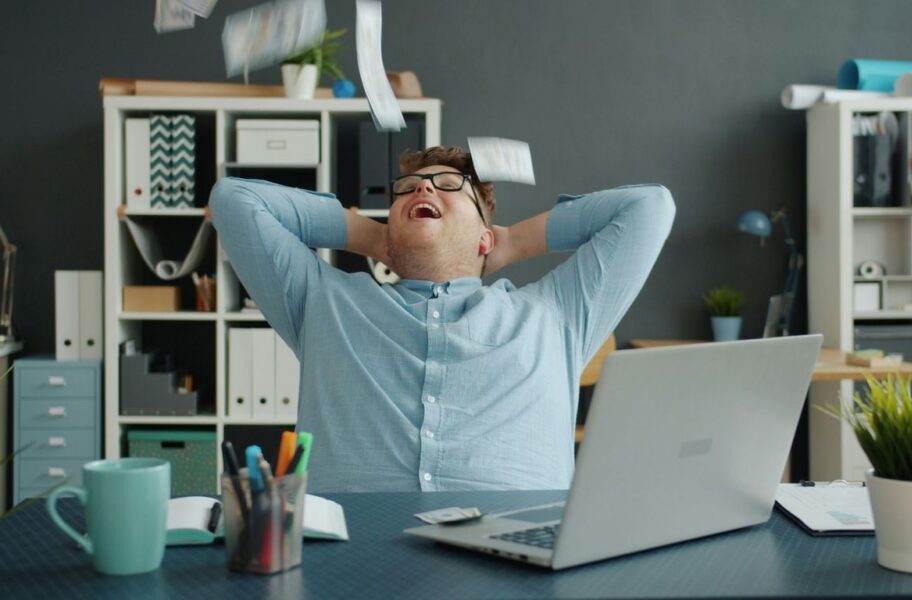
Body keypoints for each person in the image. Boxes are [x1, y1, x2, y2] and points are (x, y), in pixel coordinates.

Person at [209, 145, 675, 492]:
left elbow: (649, 209)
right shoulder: (320, 299)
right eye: (407, 189)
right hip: (352, 566)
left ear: (484, 236)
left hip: (515, 570)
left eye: (449, 185)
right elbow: (235, 200)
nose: (424, 187)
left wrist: (511, 241)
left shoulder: (555, 315)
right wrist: (378, 239)